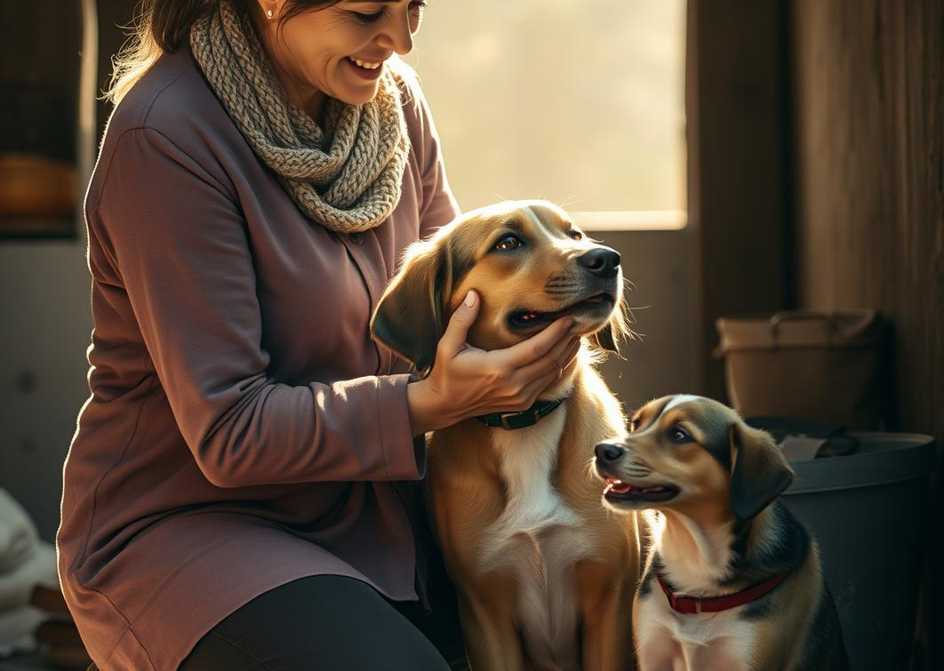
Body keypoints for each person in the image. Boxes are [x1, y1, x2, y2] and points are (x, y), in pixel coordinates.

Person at [56, 1, 580, 669]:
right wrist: (430, 403)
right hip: (196, 530)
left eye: (413, 8)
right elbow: (231, 431)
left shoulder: (395, 109)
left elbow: (459, 310)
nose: (399, 42)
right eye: (366, 14)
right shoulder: (165, 138)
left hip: (385, 518)